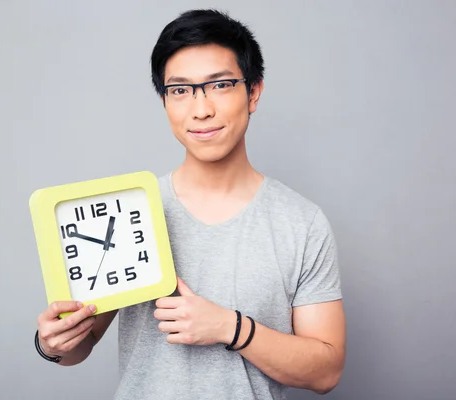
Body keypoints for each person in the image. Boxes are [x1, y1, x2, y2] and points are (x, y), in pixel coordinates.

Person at [34, 8, 346, 399]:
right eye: (180, 90)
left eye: (220, 85)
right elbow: (80, 344)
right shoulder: (130, 210)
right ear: (165, 101)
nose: (201, 109)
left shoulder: (301, 224)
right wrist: (53, 343)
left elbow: (326, 371)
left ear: (253, 92)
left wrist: (230, 328)